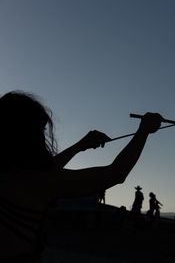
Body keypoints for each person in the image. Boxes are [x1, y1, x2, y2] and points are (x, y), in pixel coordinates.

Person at [0, 91, 162, 261]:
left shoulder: (12, 175)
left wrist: (79, 146)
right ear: (27, 136)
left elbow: (46, 171)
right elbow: (116, 173)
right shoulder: (32, 181)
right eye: (39, 130)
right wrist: (143, 131)